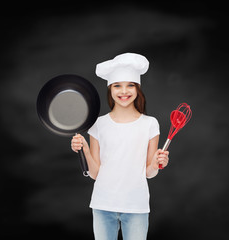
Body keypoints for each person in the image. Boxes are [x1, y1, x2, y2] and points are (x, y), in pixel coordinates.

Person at [71, 53, 169, 240]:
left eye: (130, 85)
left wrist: (157, 163)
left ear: (137, 88)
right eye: (117, 86)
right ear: (110, 89)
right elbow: (95, 173)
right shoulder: (98, 124)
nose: (124, 91)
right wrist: (83, 147)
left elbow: (149, 172)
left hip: (136, 206)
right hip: (103, 204)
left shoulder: (150, 124)